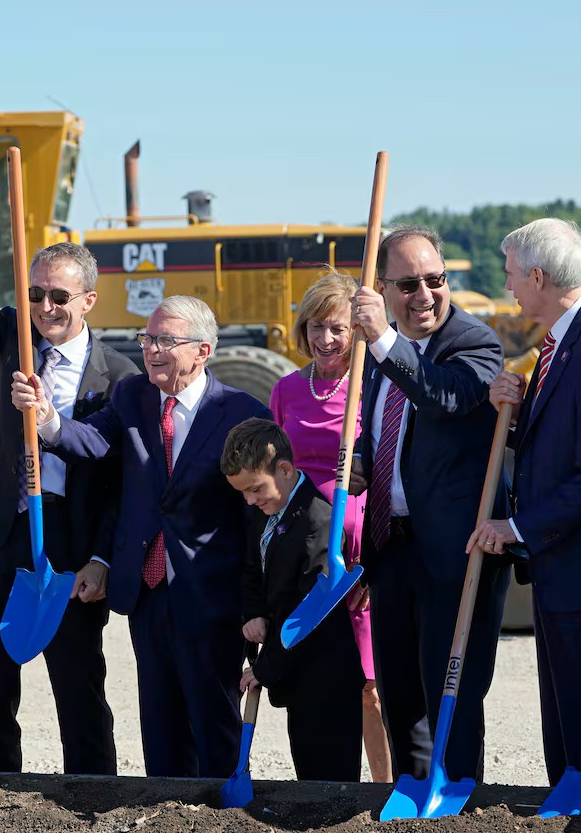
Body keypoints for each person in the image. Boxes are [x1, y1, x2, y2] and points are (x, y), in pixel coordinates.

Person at [0, 193, 139, 775]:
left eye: (60, 296)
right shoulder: (9, 339)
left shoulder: (119, 377)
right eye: (36, 293)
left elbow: (119, 478)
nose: (45, 306)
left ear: (89, 300)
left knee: (78, 687)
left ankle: (91, 796)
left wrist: (99, 557)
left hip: (67, 543)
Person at [11, 295, 270, 779]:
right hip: (148, 591)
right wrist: (46, 418)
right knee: (161, 725)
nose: (152, 349)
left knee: (214, 724)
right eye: (147, 338)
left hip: (211, 594)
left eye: (166, 340)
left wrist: (256, 601)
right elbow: (92, 441)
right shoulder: (132, 396)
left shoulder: (242, 413)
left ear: (203, 351)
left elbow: (256, 516)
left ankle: (223, 815)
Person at [472, 218, 581, 788]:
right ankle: (573, 798)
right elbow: (563, 444)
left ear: (539, 276)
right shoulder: (568, 342)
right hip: (561, 566)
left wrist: (517, 526)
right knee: (567, 712)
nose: (509, 288)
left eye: (512, 276)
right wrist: (515, 418)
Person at [347, 227, 509, 783]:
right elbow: (378, 425)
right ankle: (416, 793)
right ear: (385, 289)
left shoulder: (475, 342)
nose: (424, 295)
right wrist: (365, 461)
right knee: (400, 691)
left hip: (454, 551)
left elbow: (444, 397)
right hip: (391, 545)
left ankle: (459, 798)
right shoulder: (376, 353)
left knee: (453, 690)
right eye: (409, 284)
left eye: (435, 280)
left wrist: (383, 344)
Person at [267, 269, 390, 781]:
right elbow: (274, 469)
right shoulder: (287, 391)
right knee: (316, 675)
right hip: (305, 552)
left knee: (369, 685)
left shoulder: (373, 387)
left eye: (337, 327)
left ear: (358, 331)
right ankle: (328, 786)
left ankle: (385, 790)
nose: (325, 339)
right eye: (316, 326)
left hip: (356, 550)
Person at [225, 418, 366, 781]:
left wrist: (264, 669)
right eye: (243, 493)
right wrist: (253, 613)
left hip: (325, 674)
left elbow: (308, 615)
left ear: (285, 469)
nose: (250, 500)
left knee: (331, 780)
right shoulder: (265, 510)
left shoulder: (318, 523)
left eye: (255, 489)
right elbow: (252, 567)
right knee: (307, 771)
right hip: (298, 676)